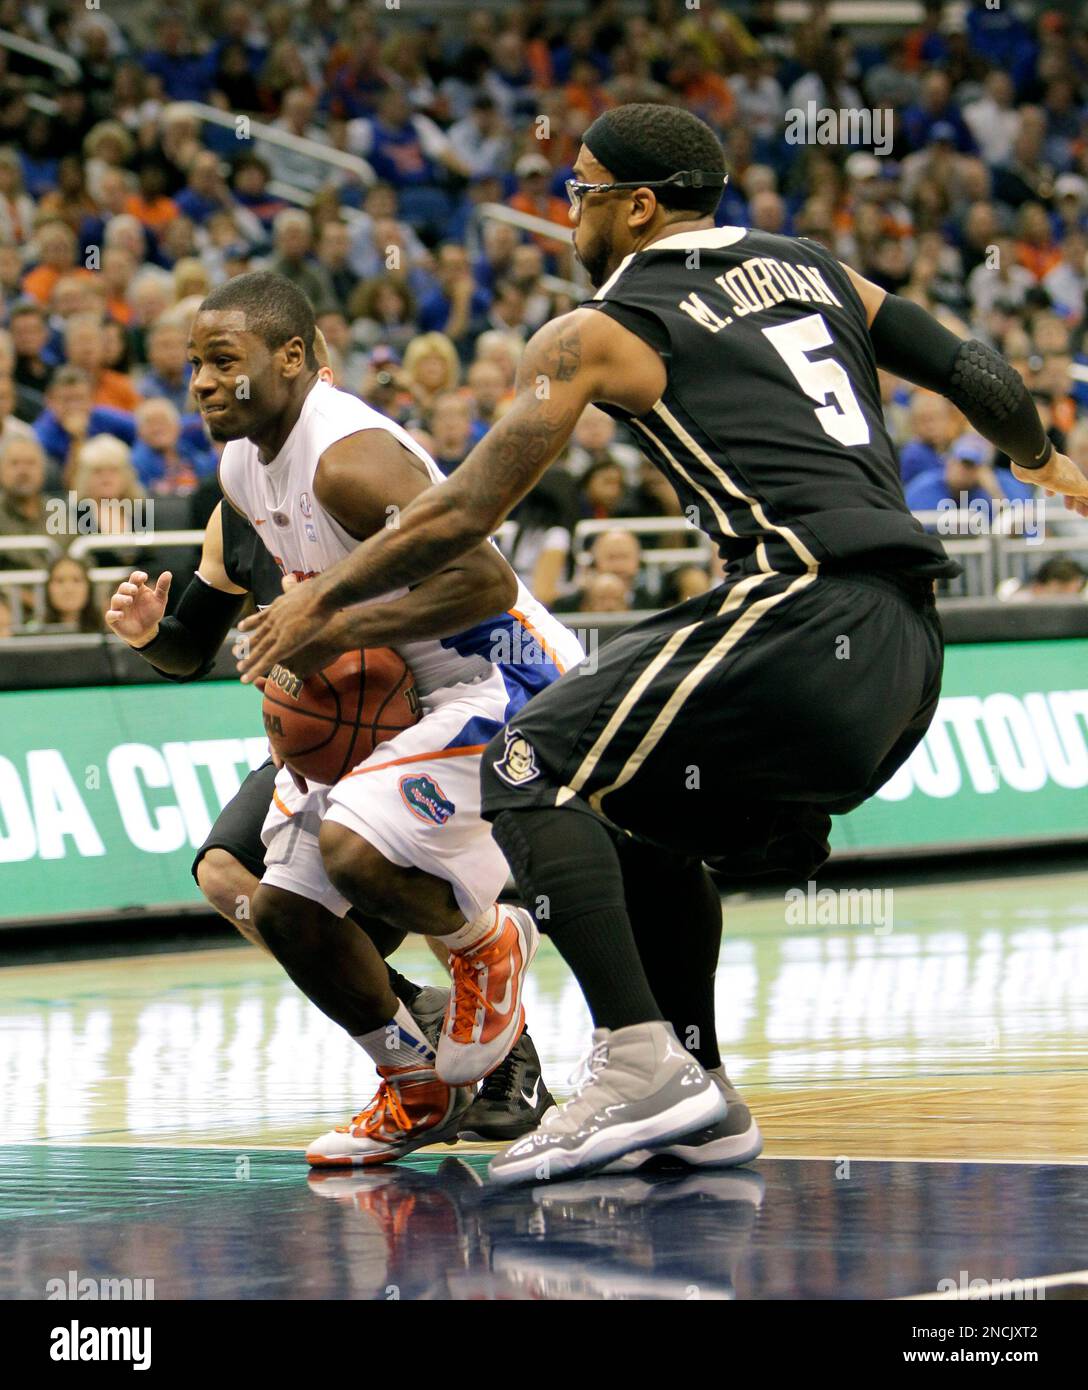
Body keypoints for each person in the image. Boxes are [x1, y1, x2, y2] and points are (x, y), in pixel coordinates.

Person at [237, 103, 1088, 1186]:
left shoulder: (598, 326)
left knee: (522, 757)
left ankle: (636, 1056)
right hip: (908, 651)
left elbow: (460, 515)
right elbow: (970, 369)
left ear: (637, 205)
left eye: (581, 190)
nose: (569, 211)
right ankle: (697, 1092)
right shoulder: (815, 268)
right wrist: (1042, 461)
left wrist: (319, 603)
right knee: (637, 807)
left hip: (797, 603)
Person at [108, 279, 581, 1166]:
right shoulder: (242, 467)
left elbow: (486, 585)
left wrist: (330, 621)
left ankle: (487, 944)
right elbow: (246, 629)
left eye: (223, 362)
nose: (202, 383)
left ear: (292, 359)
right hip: (398, 699)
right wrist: (163, 638)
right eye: (193, 366)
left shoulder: (350, 458)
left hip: (501, 681)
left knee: (354, 847)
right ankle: (413, 1086)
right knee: (279, 906)